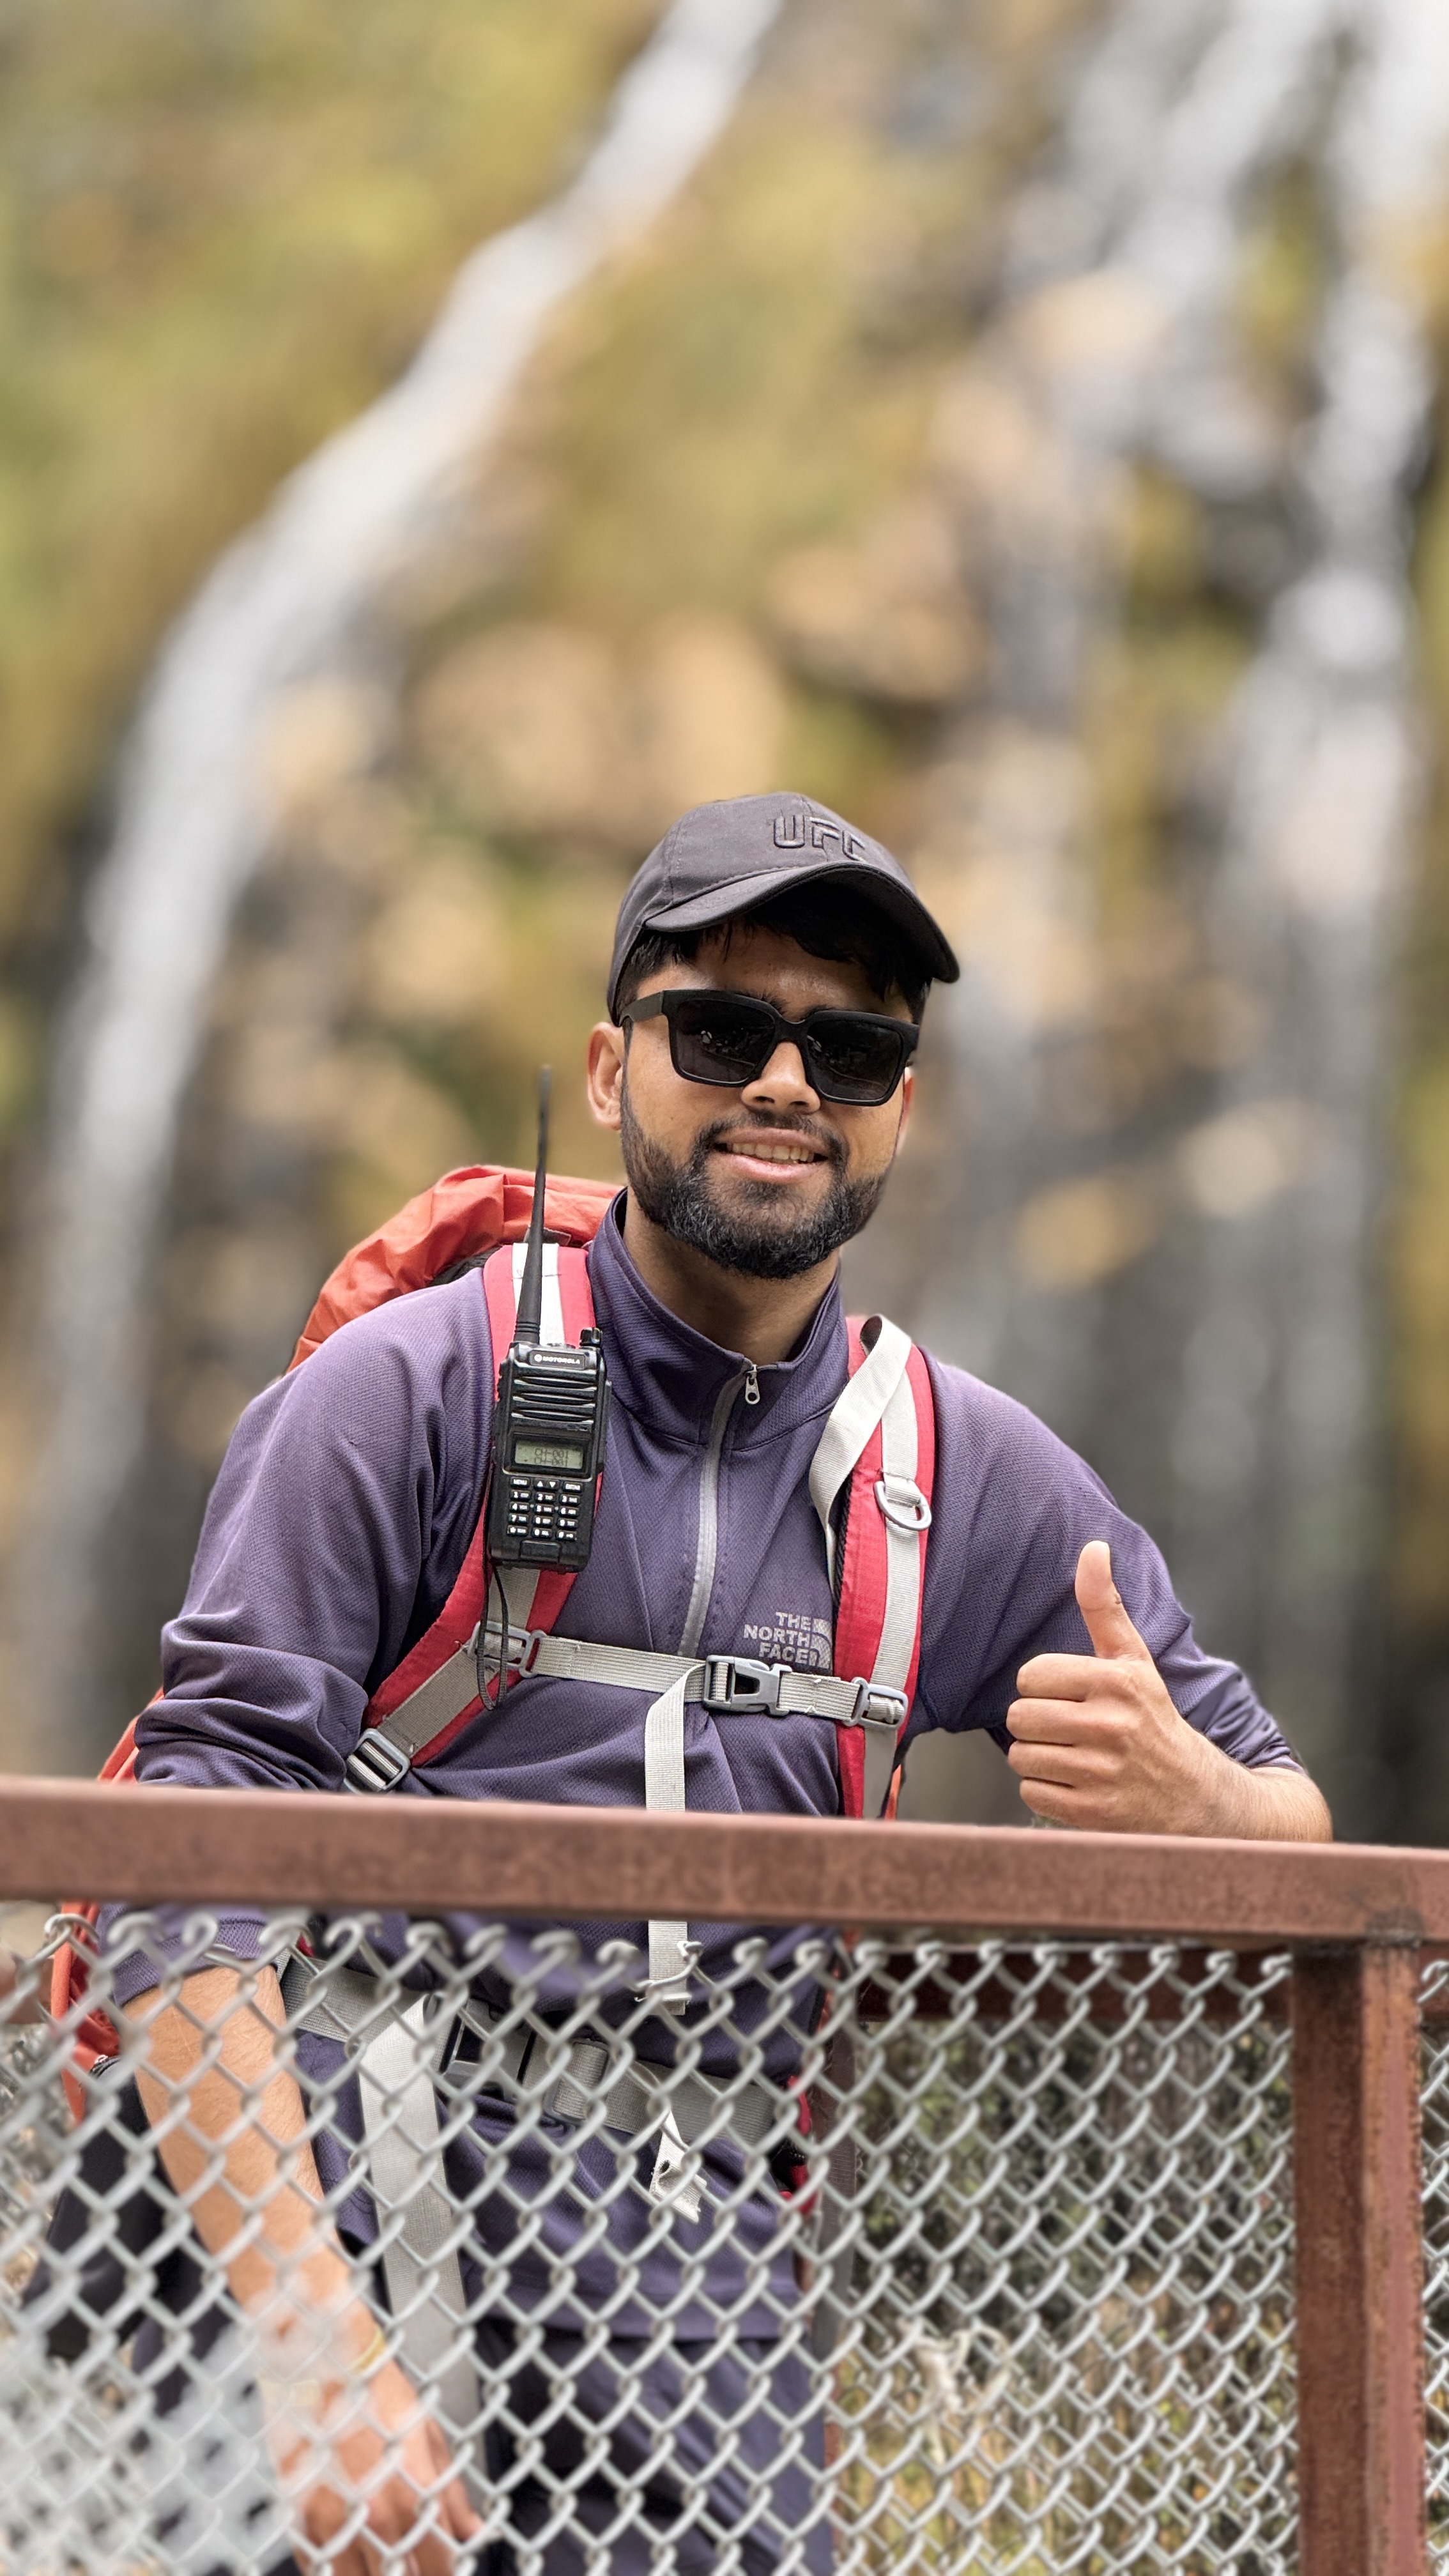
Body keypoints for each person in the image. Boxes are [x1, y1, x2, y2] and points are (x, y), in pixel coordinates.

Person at [106, 791, 1330, 2575]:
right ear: (611, 1070)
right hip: (344, 2267)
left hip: (700, 2350)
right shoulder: (406, 1392)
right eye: (721, 1028)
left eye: (845, 1046)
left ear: (901, 1104)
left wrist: (1201, 1811)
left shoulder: (967, 1476)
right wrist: (309, 2348)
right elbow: (177, 1874)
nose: (783, 1082)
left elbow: (1290, 1831)